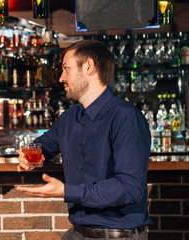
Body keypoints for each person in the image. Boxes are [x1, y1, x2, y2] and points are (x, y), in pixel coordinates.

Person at [16, 40, 152, 240]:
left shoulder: (126, 116)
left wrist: (66, 191)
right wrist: (29, 156)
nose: (61, 77)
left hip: (118, 236)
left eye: (66, 68)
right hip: (77, 233)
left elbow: (129, 188)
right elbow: (43, 145)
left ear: (88, 67)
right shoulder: (69, 118)